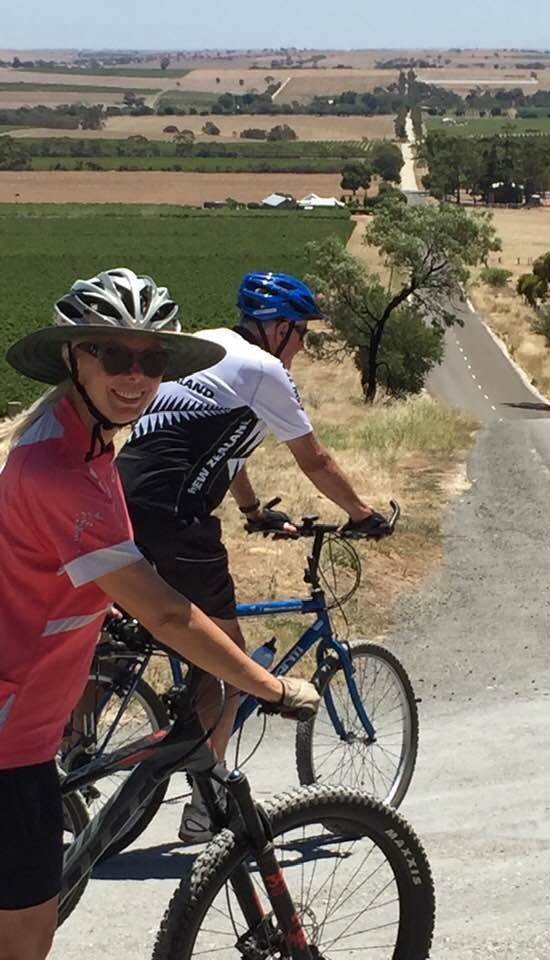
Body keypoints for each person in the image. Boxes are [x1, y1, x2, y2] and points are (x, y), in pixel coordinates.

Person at [0, 268, 319, 960]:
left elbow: (67, 567)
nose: (135, 376)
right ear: (74, 358)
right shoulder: (63, 469)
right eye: (114, 355)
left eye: (151, 360)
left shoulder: (73, 436)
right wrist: (267, 686)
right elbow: (170, 615)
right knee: (25, 941)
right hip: (11, 736)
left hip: (24, 713)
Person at [117, 271, 392, 843]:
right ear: (279, 327)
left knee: (129, 636)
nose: (303, 347)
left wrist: (250, 510)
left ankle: (73, 744)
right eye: (303, 335)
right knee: (228, 663)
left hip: (120, 504)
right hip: (177, 518)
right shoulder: (265, 369)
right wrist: (364, 515)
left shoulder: (207, 347)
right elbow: (314, 460)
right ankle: (206, 804)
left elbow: (223, 449)